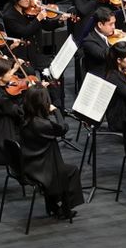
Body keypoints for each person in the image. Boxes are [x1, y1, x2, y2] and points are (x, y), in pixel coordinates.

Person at [20, 86, 84, 219]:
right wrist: (56, 111)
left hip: (29, 163)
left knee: (63, 167)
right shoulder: (41, 124)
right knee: (72, 171)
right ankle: (65, 209)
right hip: (41, 168)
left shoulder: (25, 117)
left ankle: (53, 207)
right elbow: (63, 128)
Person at [1, 0, 70, 70]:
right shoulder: (9, 16)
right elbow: (24, 32)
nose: (28, 0)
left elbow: (45, 25)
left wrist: (59, 21)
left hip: (36, 51)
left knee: (56, 68)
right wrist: (38, 18)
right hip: (22, 56)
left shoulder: (31, 10)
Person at [81, 6, 126, 77]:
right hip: (103, 77)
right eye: (110, 24)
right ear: (100, 25)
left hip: (116, 73)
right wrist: (122, 41)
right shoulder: (88, 41)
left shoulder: (109, 35)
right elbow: (104, 54)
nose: (114, 27)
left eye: (114, 23)